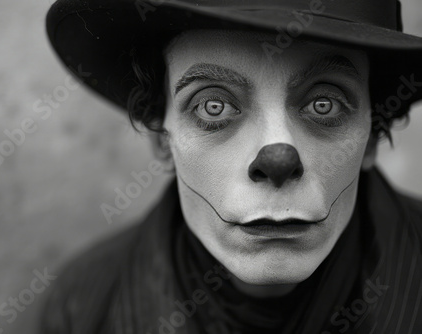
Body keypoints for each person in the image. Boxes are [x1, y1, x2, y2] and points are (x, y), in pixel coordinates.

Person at [41, 0, 422, 333]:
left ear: (372, 134)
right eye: (213, 106)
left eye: (325, 103)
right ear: (162, 138)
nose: (278, 159)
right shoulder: (83, 307)